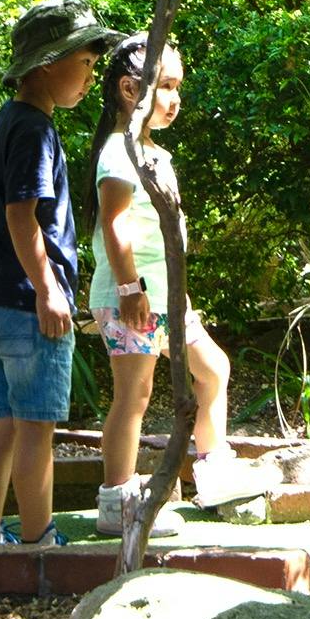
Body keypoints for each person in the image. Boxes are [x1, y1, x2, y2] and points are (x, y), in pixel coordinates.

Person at [0, 0, 121, 544]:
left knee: (3, 425)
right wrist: (48, 291)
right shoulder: (35, 130)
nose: (91, 79)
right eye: (86, 65)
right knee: (36, 430)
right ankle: (38, 540)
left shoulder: (8, 120)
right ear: (49, 63)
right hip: (29, 307)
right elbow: (22, 212)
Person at [84, 36, 241, 537]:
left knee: (213, 367)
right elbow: (115, 224)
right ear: (131, 90)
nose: (175, 99)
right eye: (165, 87)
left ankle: (212, 472)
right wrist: (130, 288)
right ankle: (118, 500)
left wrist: (177, 292)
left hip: (167, 299)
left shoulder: (155, 153)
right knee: (135, 392)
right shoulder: (119, 151)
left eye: (178, 87)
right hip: (130, 297)